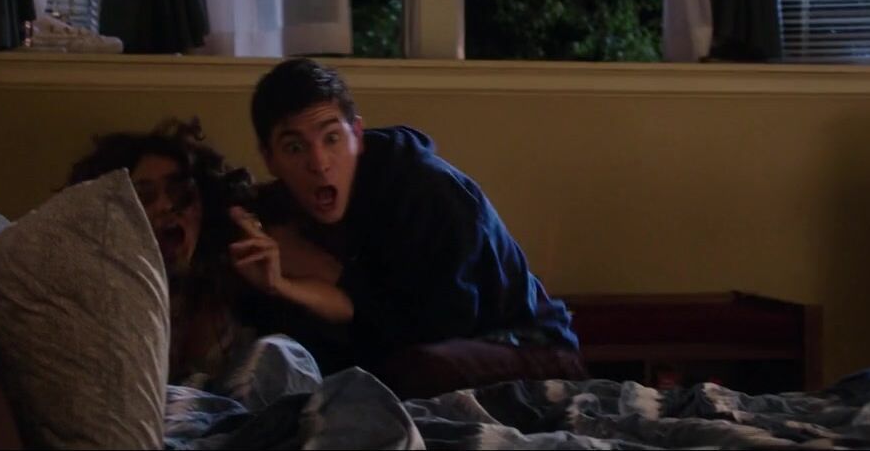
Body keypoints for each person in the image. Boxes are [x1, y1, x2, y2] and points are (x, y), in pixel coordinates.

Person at [232, 58, 584, 397]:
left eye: (332, 138)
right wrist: (279, 284)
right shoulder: (281, 213)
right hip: (416, 351)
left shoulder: (428, 191)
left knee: (405, 371)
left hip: (523, 343)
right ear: (270, 159)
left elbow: (441, 327)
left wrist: (329, 275)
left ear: (357, 135)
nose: (319, 163)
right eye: (295, 148)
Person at [66, 117, 259, 383]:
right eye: (143, 197)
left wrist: (275, 287)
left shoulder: (232, 283)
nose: (165, 206)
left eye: (180, 193)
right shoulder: (96, 299)